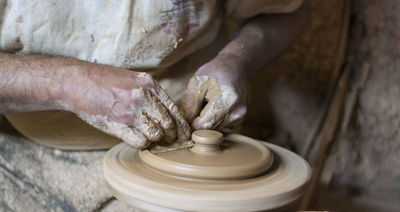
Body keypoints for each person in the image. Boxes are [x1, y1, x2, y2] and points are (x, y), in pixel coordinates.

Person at [0, 0, 309, 149]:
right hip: (21, 147)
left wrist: (236, 61)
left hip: (180, 149)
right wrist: (67, 83)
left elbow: (288, 9)